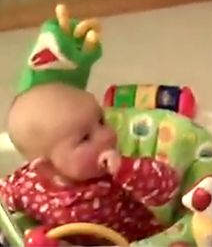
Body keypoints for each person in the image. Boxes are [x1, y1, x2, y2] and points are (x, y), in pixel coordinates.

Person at [0, 83, 179, 245]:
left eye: (101, 121)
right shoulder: (26, 187)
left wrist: (126, 169)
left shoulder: (116, 173)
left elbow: (168, 187)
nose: (107, 135)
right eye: (85, 138)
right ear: (47, 167)